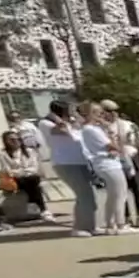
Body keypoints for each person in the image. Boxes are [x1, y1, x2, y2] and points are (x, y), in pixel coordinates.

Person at [39, 100, 96, 236]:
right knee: (83, 195)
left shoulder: (72, 122)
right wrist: (58, 118)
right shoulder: (46, 123)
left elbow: (81, 130)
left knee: (89, 195)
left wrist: (76, 119)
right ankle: (79, 228)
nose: (72, 112)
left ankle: (90, 225)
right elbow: (62, 130)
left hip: (81, 161)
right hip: (65, 162)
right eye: (69, 109)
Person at [79, 102, 135, 235]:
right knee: (120, 194)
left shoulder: (94, 129)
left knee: (113, 195)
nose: (101, 115)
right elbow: (111, 146)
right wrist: (111, 134)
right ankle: (120, 225)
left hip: (108, 163)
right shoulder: (90, 129)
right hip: (108, 164)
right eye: (98, 112)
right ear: (90, 114)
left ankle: (110, 225)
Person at [100, 101, 139, 230]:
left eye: (113, 111)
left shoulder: (128, 125)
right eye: (107, 111)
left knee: (137, 188)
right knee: (121, 190)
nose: (112, 114)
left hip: (131, 157)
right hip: (114, 160)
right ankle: (125, 217)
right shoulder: (102, 128)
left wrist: (131, 141)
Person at [0, 131, 52, 221]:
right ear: (6, 141)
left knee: (32, 180)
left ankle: (37, 207)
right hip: (15, 179)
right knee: (32, 184)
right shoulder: (2, 153)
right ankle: (43, 210)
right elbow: (6, 170)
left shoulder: (29, 151)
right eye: (12, 140)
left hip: (30, 177)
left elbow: (34, 167)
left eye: (18, 139)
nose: (16, 141)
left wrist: (20, 172)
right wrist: (22, 172)